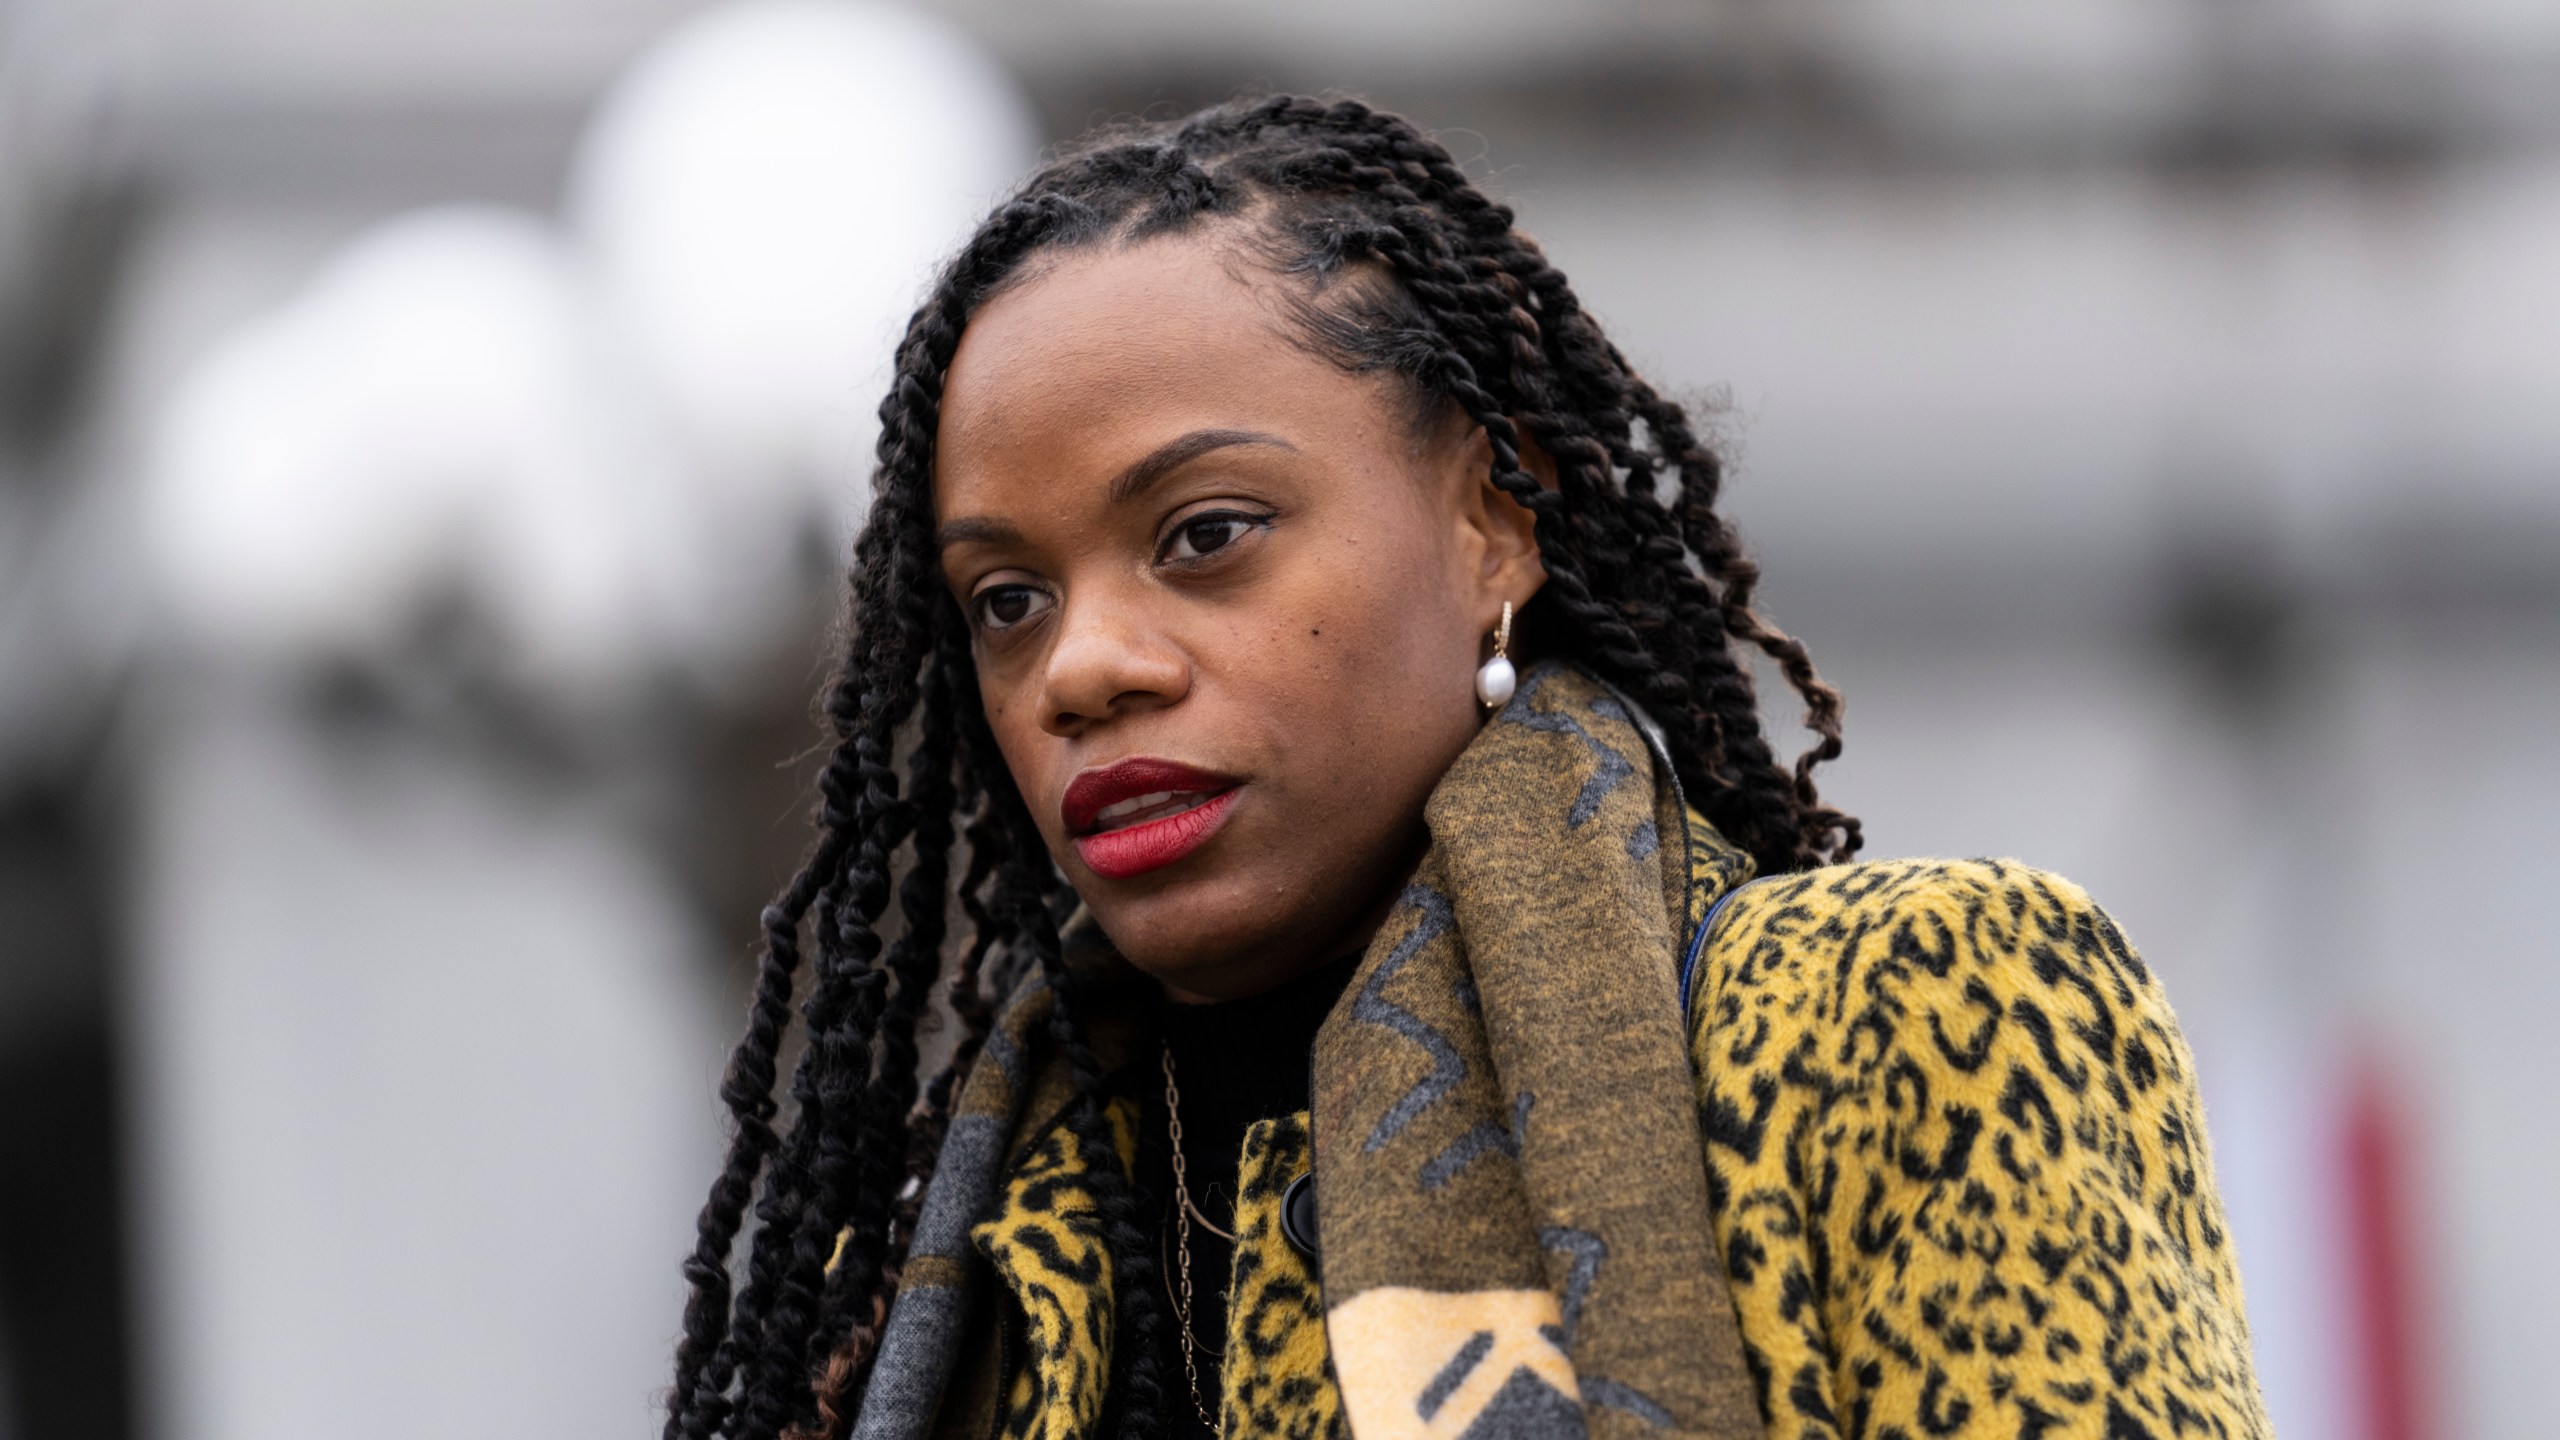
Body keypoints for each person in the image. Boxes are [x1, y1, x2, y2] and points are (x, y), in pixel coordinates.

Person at [663, 96, 2270, 1440]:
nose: (1083, 667)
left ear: (1493, 516)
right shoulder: (947, 1292)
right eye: (1008, 602)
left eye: (1205, 536)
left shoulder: (1908, 1016)